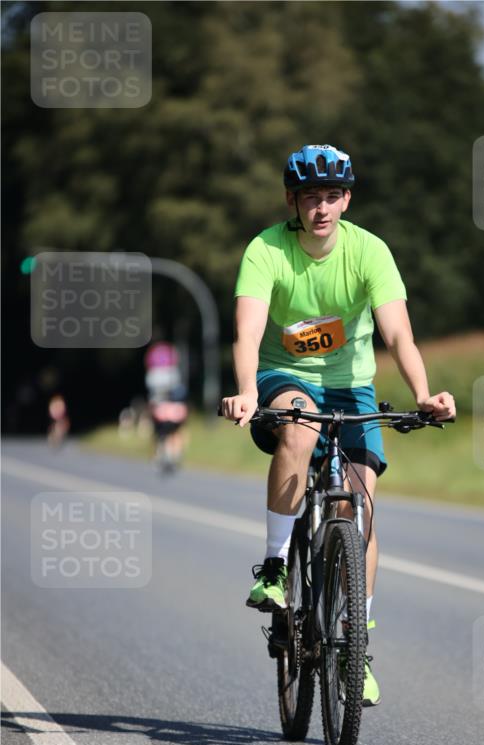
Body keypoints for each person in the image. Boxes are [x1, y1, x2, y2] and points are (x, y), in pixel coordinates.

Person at [221, 144, 456, 706]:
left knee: (360, 507)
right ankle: (275, 567)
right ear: (292, 201)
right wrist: (248, 391)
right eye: (310, 197)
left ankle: (355, 646)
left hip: (353, 387)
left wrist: (423, 395)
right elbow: (248, 332)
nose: (321, 208)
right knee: (300, 427)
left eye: (332, 196)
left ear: (346, 200)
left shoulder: (369, 251)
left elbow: (398, 334)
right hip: (283, 376)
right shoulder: (266, 249)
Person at [149, 384, 189, 472]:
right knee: (174, 436)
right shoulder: (181, 406)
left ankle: (162, 456)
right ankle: (172, 455)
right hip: (170, 425)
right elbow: (182, 422)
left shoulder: (163, 404)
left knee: (162, 439)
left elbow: (156, 416)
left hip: (162, 425)